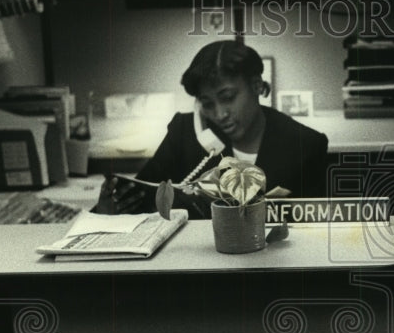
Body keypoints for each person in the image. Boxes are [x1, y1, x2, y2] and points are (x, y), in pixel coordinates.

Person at [96, 40, 329, 216]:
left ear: (257, 85)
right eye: (207, 104)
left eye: (227, 97)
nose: (219, 114)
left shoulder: (305, 144)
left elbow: (318, 229)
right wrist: (110, 208)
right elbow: (141, 194)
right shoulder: (185, 133)